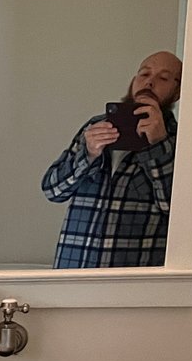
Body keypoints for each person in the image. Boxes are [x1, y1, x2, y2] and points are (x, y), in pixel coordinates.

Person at [42, 51, 181, 268]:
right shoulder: (96, 127)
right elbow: (53, 190)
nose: (149, 82)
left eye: (163, 78)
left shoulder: (179, 140)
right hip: (73, 271)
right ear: (133, 81)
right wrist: (88, 155)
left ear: (177, 92)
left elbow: (175, 210)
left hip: (132, 278)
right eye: (144, 74)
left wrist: (158, 145)